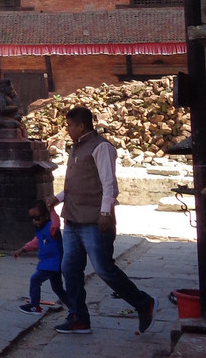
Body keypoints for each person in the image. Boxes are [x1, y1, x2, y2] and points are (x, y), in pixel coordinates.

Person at [47, 106, 157, 336]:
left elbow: (109, 184)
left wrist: (106, 212)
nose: (67, 130)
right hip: (73, 219)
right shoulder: (76, 149)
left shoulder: (101, 147)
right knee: (70, 269)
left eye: (70, 125)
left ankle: (142, 302)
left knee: (104, 269)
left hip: (95, 221)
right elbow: (76, 186)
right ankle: (78, 317)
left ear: (82, 126)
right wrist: (56, 199)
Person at [12, 199, 69, 314]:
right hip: (50, 263)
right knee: (57, 288)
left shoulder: (51, 228)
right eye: (32, 219)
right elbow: (36, 242)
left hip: (51, 263)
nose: (35, 221)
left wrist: (52, 210)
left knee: (35, 279)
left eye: (37, 218)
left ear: (46, 216)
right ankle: (74, 308)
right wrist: (23, 249)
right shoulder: (41, 230)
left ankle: (35, 306)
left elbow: (57, 224)